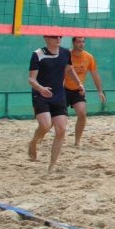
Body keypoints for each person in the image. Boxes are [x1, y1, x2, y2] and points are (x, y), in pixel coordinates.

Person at [27, 34, 84, 172]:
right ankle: (33, 142)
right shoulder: (38, 54)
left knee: (61, 130)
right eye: (54, 36)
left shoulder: (65, 53)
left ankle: (51, 167)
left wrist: (79, 84)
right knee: (45, 125)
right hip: (41, 94)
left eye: (60, 36)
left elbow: (69, 69)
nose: (58, 38)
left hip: (59, 96)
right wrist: (41, 88)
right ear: (46, 38)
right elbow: (31, 79)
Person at [65, 36, 106, 147]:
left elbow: (95, 75)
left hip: (78, 90)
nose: (81, 44)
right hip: (63, 89)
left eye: (83, 42)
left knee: (82, 114)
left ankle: (77, 141)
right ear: (73, 43)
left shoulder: (89, 57)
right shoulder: (66, 55)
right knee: (58, 117)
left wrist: (100, 91)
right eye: (79, 41)